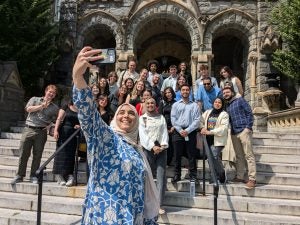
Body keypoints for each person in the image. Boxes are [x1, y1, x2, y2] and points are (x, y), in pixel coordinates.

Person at [72, 47, 159, 224]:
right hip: (104, 217)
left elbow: (141, 193)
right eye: (121, 112)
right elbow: (88, 114)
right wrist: (78, 77)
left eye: (131, 114)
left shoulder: (137, 150)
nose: (126, 116)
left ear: (136, 121)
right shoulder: (105, 137)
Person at [11, 84, 59, 185]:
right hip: (29, 129)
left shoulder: (55, 108)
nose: (51, 94)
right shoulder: (35, 99)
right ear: (46, 91)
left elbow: (58, 119)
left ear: (54, 95)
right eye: (50, 91)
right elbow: (28, 109)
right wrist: (41, 106)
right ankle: (19, 175)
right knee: (24, 153)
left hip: (41, 132)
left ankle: (33, 175)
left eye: (53, 93)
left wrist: (51, 125)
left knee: (37, 155)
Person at [222, 86, 256, 189]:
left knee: (249, 155)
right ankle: (240, 176)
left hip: (244, 131)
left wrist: (248, 127)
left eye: (227, 92)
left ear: (232, 92)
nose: (226, 94)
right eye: (224, 93)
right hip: (234, 133)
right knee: (239, 156)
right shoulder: (227, 105)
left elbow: (249, 113)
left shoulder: (240, 100)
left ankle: (252, 179)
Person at [139, 97, 169, 215]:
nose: (150, 104)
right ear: (145, 105)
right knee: (148, 178)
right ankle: (147, 203)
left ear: (155, 105)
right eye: (148, 103)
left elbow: (164, 132)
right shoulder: (142, 118)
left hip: (161, 150)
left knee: (161, 177)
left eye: (152, 103)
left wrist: (162, 145)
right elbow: (143, 134)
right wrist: (152, 146)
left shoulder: (161, 117)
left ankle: (159, 204)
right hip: (148, 150)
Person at [171, 84, 201, 182]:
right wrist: (180, 130)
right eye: (183, 90)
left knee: (191, 154)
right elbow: (173, 118)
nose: (185, 91)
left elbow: (197, 120)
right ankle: (177, 175)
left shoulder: (194, 105)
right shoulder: (175, 105)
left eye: (187, 90)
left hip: (190, 132)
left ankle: (193, 176)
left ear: (190, 91)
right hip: (178, 132)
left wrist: (187, 130)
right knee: (177, 154)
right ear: (180, 92)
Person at [200, 97, 229, 183]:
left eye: (219, 102)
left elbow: (224, 128)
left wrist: (210, 132)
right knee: (209, 158)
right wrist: (202, 128)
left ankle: (221, 173)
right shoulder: (208, 112)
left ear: (222, 104)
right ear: (213, 103)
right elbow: (200, 120)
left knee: (214, 156)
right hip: (207, 140)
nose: (217, 103)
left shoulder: (224, 114)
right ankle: (214, 176)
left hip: (218, 140)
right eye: (215, 102)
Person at [52, 101, 80, 187]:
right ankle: (59, 175)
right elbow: (59, 118)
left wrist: (79, 125)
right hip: (64, 131)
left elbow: (83, 121)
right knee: (61, 153)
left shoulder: (81, 108)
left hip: (74, 133)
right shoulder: (66, 105)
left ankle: (69, 175)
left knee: (70, 154)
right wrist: (56, 130)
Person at [158, 87, 176, 166]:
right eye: (166, 93)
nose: (168, 94)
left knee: (172, 146)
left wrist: (174, 127)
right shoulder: (162, 102)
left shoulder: (176, 103)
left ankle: (169, 161)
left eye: (169, 92)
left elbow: (178, 116)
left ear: (172, 93)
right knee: (164, 144)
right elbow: (160, 115)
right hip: (164, 127)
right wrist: (164, 128)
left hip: (173, 127)